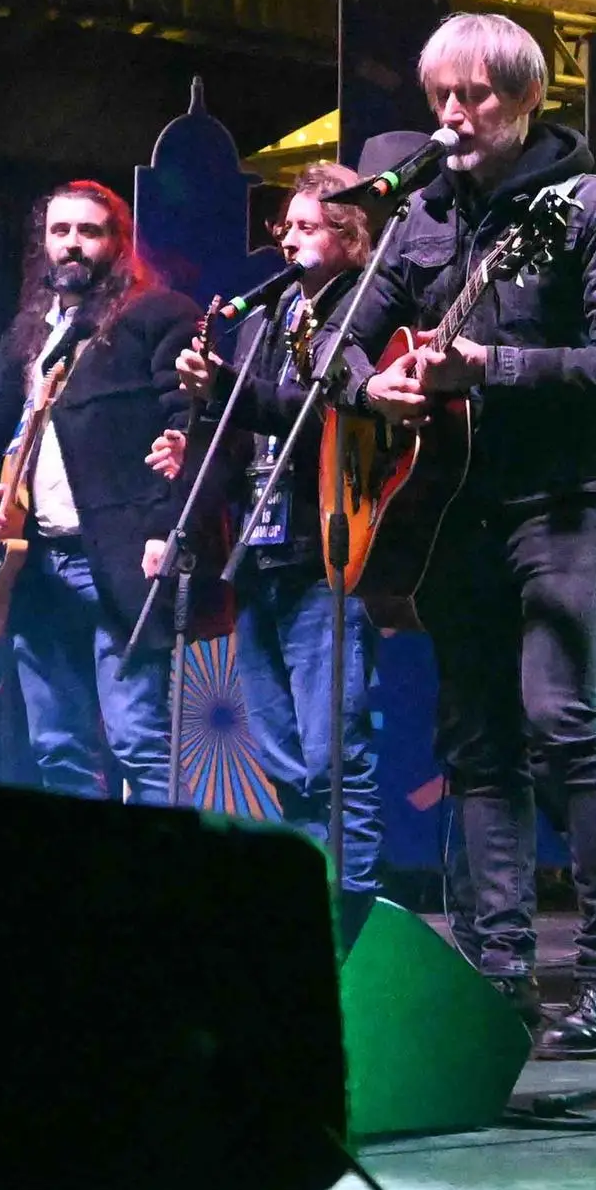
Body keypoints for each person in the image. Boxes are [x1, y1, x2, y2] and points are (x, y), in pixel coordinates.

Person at [338, 12, 596, 1057]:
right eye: (441, 95)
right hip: (453, 504)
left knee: (557, 715)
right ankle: (500, 973)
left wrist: (496, 368)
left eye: (475, 95)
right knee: (476, 736)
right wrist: (373, 384)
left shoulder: (592, 208)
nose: (454, 114)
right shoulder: (422, 214)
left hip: (566, 495)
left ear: (527, 100)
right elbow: (337, 345)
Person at [166, 160, 389, 899]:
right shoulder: (268, 317)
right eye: (284, 227)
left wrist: (228, 388)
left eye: (306, 226)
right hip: (258, 556)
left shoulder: (363, 311)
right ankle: (310, 898)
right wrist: (194, 430)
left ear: (352, 236)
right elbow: (241, 422)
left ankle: (350, 916)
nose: (287, 240)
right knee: (278, 754)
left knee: (334, 756)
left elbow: (315, 408)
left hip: (324, 552)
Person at [0, 180, 200, 804]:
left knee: (138, 741)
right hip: (36, 564)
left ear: (117, 242)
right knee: (58, 749)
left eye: (89, 232)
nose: (72, 245)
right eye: (60, 232)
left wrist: (166, 529)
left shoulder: (157, 315)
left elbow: (191, 430)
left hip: (117, 559)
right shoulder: (31, 331)